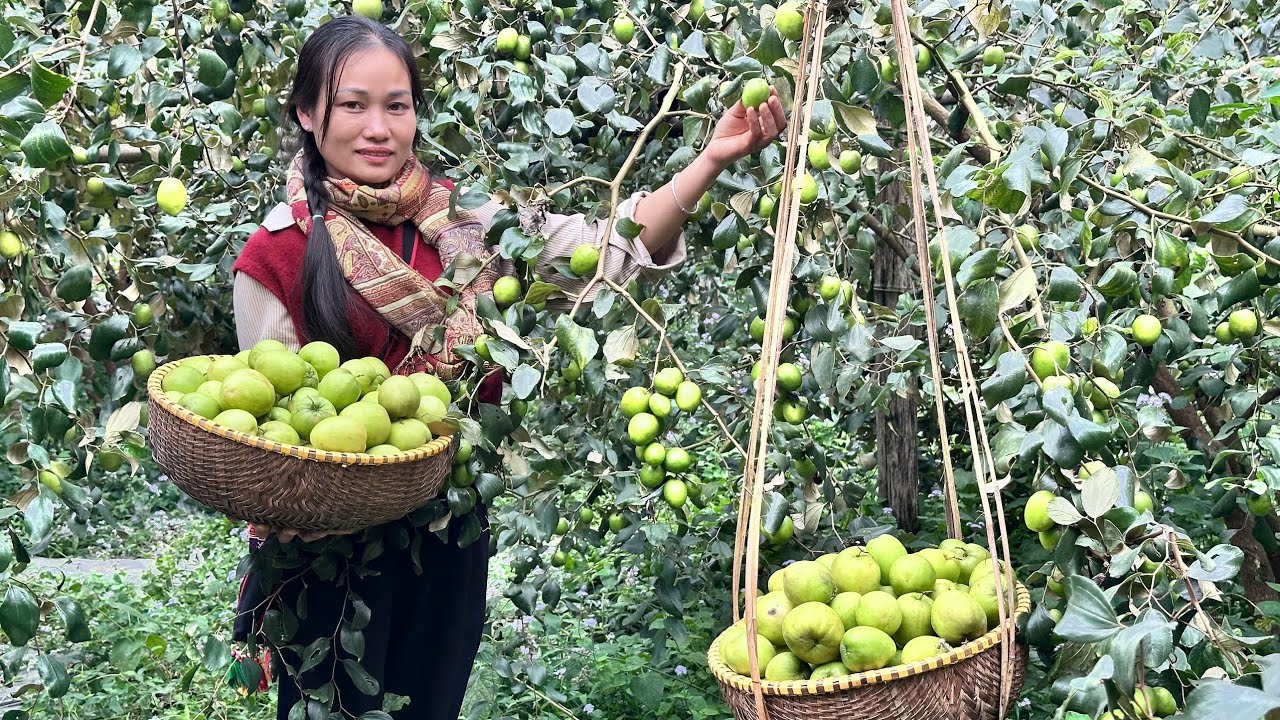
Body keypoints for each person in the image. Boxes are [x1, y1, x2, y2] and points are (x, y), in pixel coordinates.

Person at [229, 14, 787, 720]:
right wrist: (301, 500)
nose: (378, 128)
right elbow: (267, 431)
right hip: (326, 554)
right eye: (352, 105)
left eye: (396, 106)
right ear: (308, 114)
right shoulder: (277, 255)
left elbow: (606, 251)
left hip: (447, 534)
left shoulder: (471, 222)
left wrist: (710, 160)